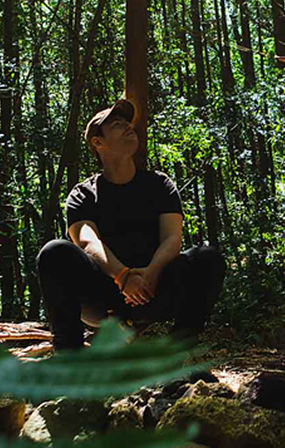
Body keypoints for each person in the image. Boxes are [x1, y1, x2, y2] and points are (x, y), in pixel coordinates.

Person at [37, 98, 225, 351]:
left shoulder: (159, 185)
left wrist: (149, 274)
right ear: (98, 142)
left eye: (128, 123)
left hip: (154, 286)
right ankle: (70, 357)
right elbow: (86, 240)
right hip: (103, 297)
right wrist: (123, 276)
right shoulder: (83, 195)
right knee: (54, 252)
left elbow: (172, 239)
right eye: (117, 124)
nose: (128, 127)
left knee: (207, 257)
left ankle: (180, 351)